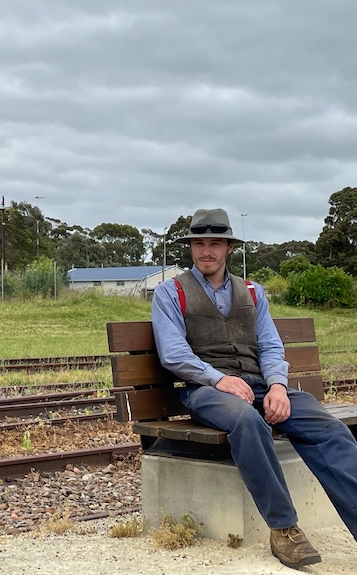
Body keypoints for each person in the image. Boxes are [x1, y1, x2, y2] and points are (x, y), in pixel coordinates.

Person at [150, 208, 357, 569]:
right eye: (199, 244)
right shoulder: (171, 293)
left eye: (215, 243)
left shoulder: (252, 291)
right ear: (191, 248)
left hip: (261, 386)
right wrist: (219, 379)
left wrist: (277, 386)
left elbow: (271, 346)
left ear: (229, 247)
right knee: (247, 422)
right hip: (207, 391)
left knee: (328, 428)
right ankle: (284, 529)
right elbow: (174, 354)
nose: (206, 251)